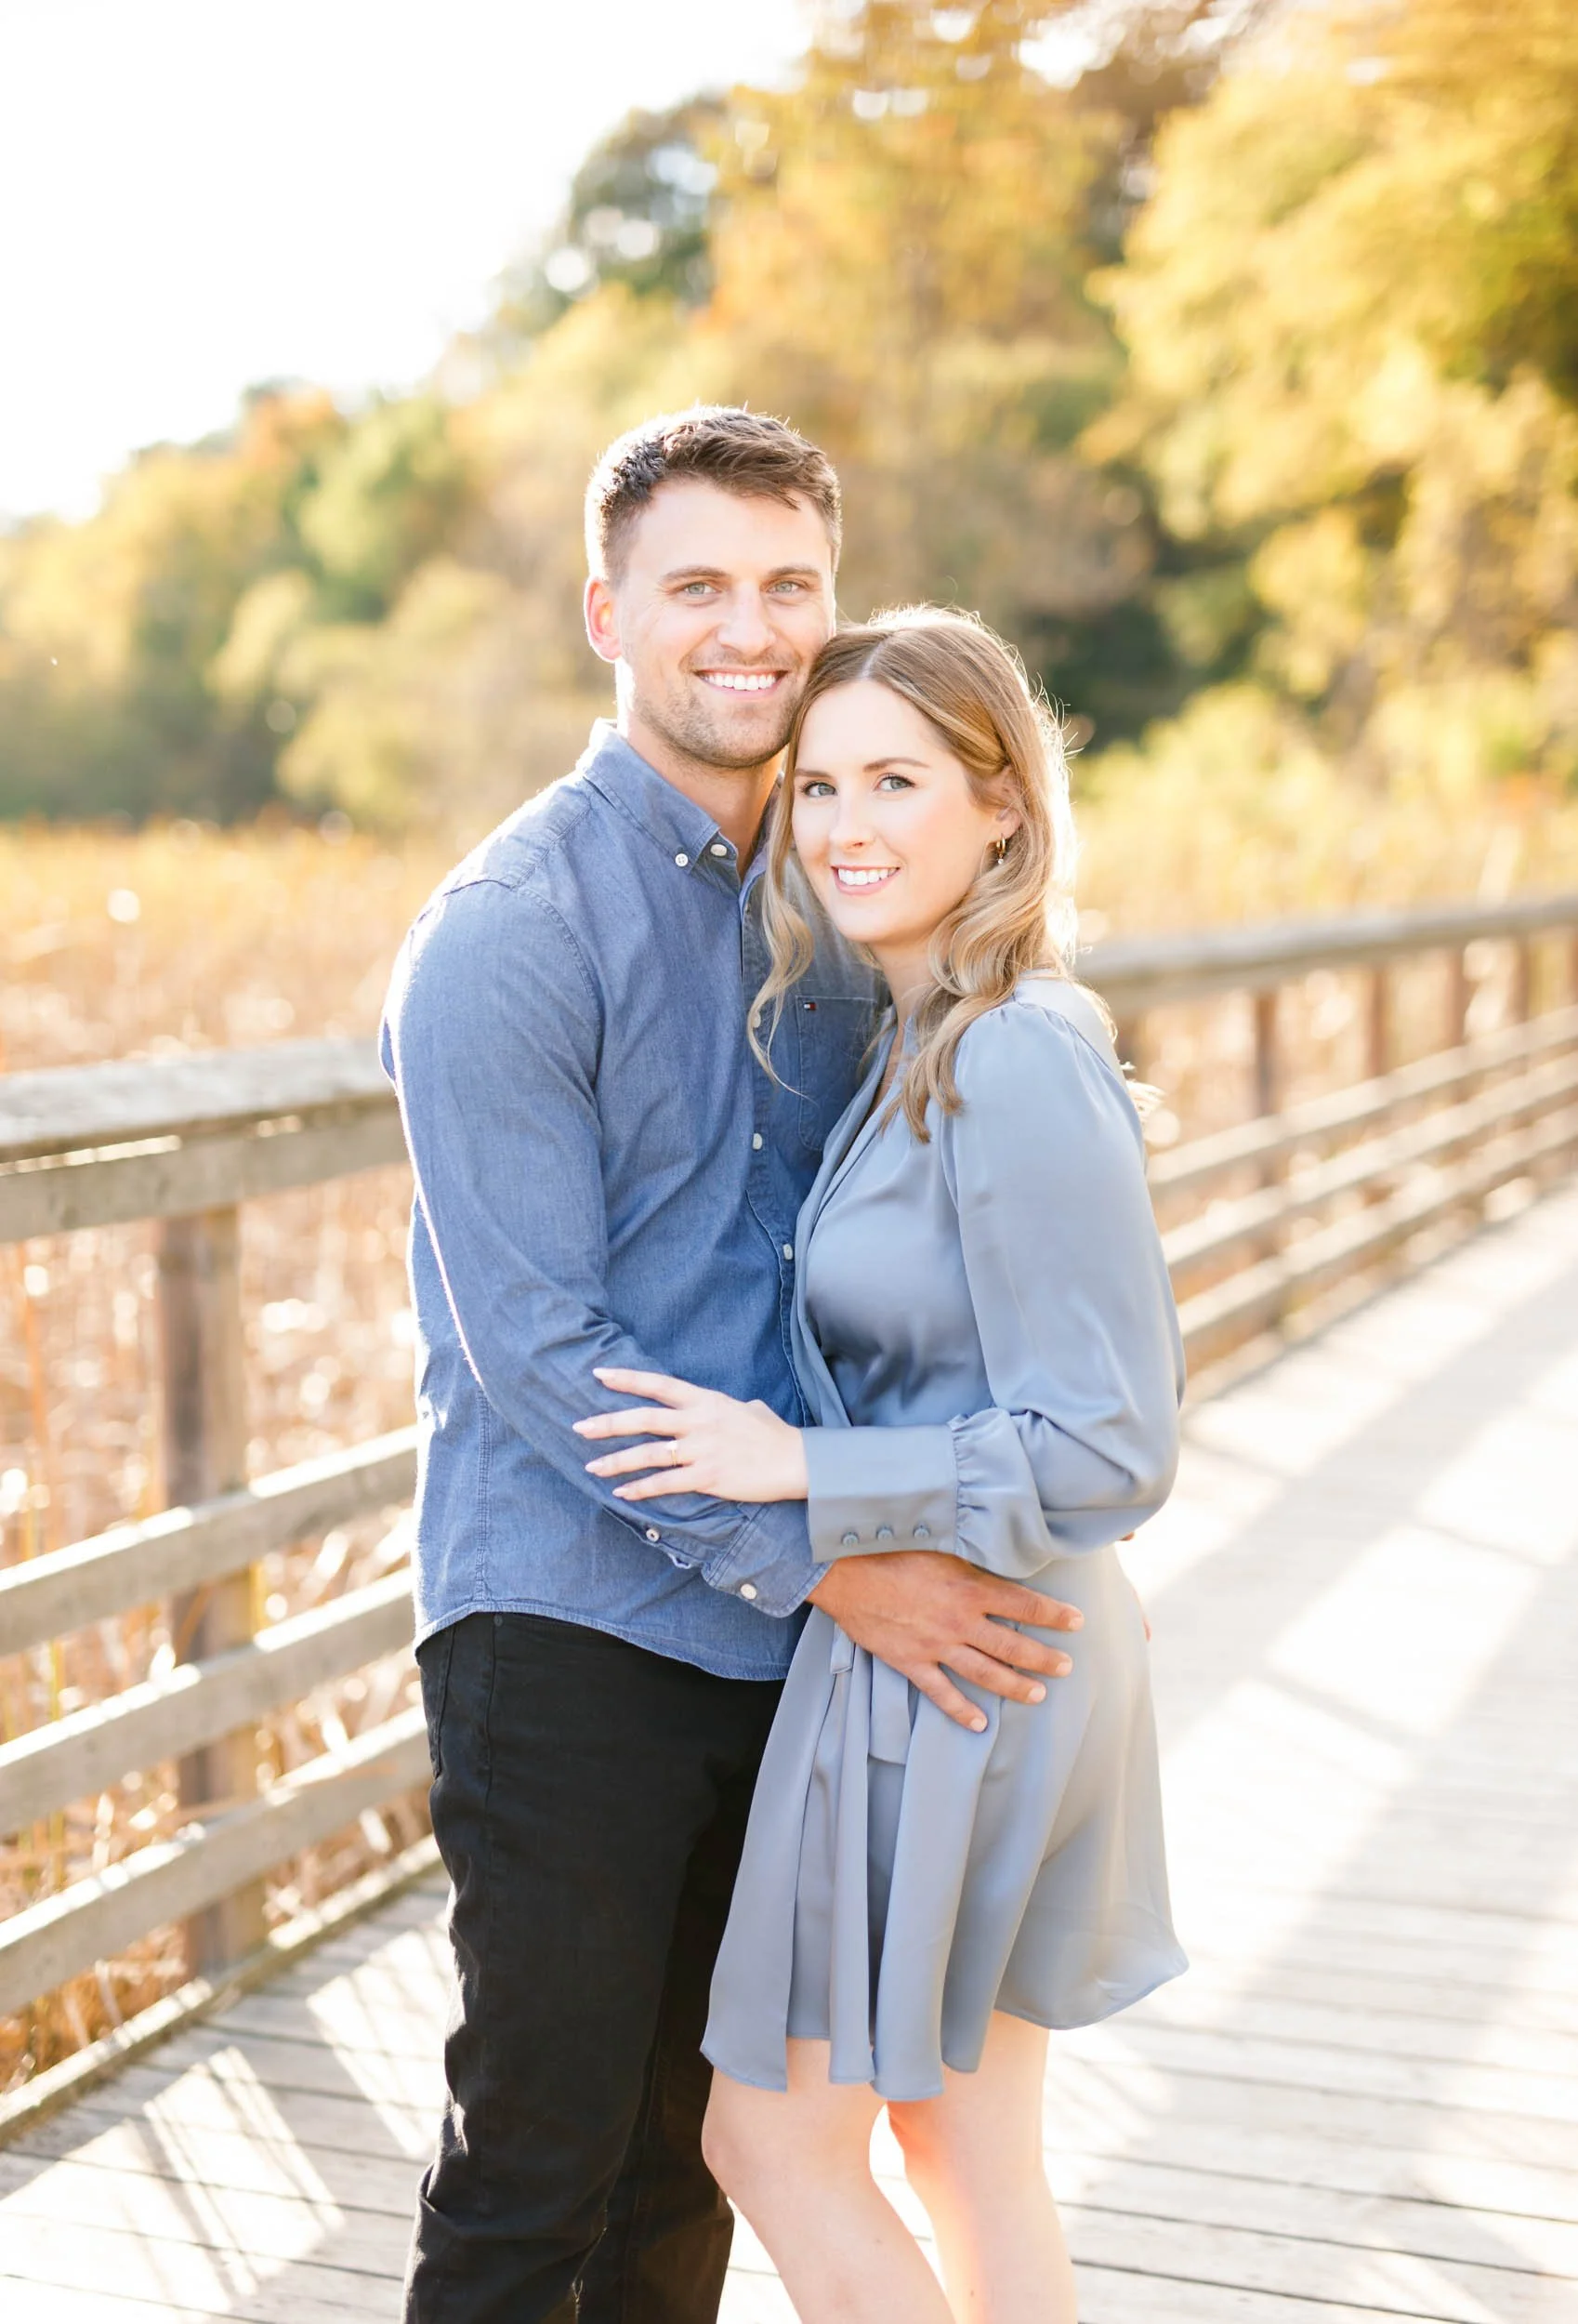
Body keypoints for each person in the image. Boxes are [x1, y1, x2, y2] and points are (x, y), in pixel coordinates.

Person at [380, 411, 1085, 2324]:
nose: (750, 627)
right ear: (608, 608)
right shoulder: (509, 936)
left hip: (805, 1649)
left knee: (698, 2166)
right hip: (575, 1622)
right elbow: (547, 1354)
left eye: (789, 585)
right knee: (542, 2147)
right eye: (699, 583)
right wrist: (835, 1557)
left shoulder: (847, 876)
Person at [576, 607, 1189, 2324]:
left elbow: (1111, 1443)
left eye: (897, 780)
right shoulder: (915, 1043)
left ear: (1001, 805)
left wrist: (795, 1471)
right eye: (821, 781)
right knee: (959, 2145)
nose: (845, 823)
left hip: (973, 1655)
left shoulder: (1011, 1056)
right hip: (970, 1643)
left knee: (771, 2145)